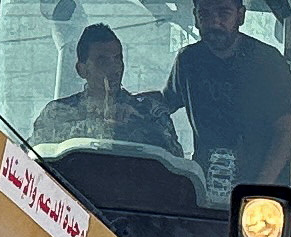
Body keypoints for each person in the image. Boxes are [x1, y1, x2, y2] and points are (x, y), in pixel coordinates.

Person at [164, 0, 291, 189]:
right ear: (196, 17)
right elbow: (165, 103)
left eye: (223, 13)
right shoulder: (189, 60)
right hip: (204, 185)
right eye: (205, 14)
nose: (214, 22)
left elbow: (286, 129)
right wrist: (124, 103)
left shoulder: (267, 61)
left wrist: (260, 189)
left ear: (240, 16)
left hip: (261, 186)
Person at [31, 22, 181, 154]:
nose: (114, 68)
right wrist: (102, 126)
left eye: (118, 59)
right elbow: (33, 157)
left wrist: (135, 126)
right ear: (82, 70)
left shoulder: (149, 112)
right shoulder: (57, 113)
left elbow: (174, 156)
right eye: (102, 61)